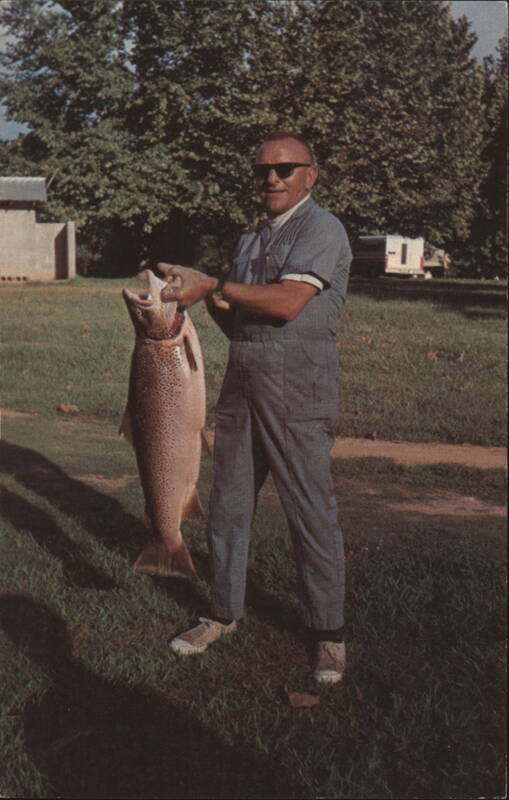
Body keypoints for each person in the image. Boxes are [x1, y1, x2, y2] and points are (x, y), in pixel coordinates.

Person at [158, 131, 352, 683]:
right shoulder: (248, 241)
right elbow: (237, 319)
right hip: (243, 381)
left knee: (309, 510)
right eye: (263, 169)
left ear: (310, 175)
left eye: (285, 168)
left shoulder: (323, 229)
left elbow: (290, 302)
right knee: (226, 505)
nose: (272, 178)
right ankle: (221, 613)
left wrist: (215, 283)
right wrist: (190, 303)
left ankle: (327, 634)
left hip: (298, 384)